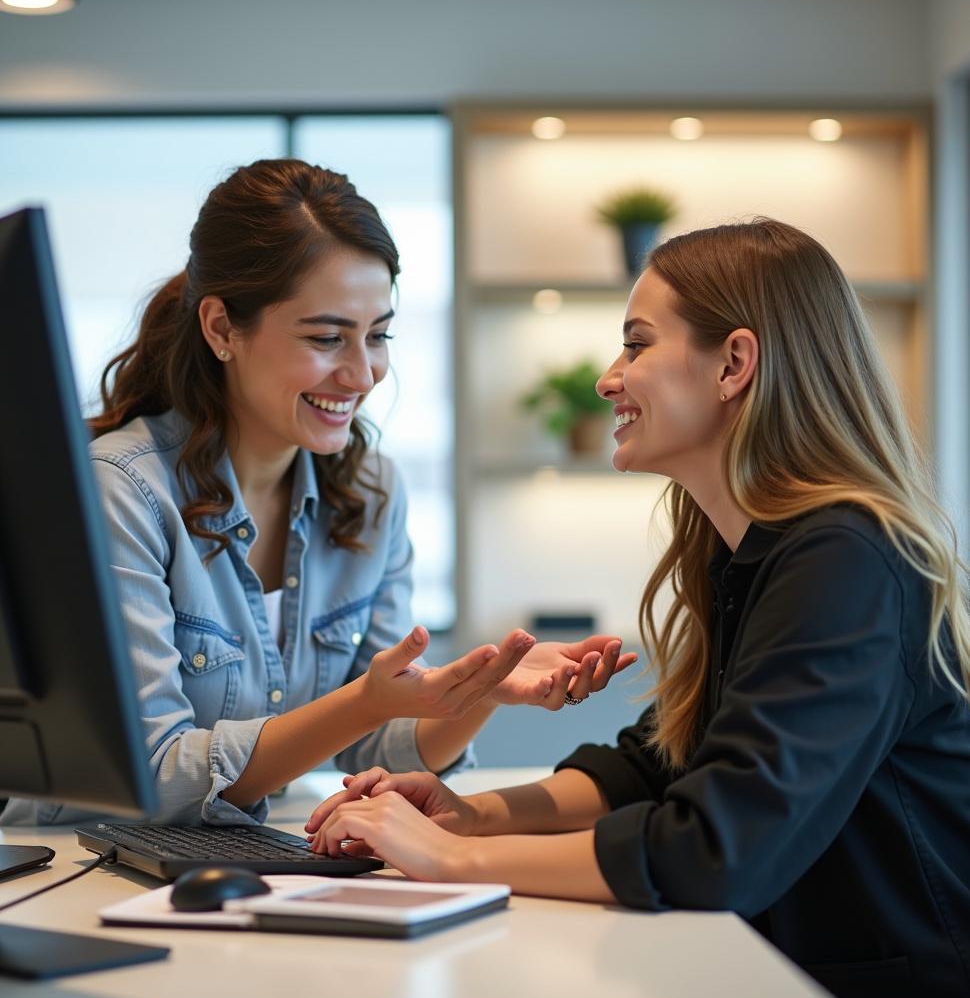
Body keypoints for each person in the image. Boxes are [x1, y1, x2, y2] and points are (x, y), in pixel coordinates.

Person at [304, 218, 970, 998]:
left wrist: (453, 860)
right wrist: (471, 817)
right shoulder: (751, 550)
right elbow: (663, 763)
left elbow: (715, 850)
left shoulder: (847, 559)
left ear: (734, 364)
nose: (610, 379)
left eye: (637, 344)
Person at [0, 158, 634, 828]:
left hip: (220, 862)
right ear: (221, 329)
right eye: (327, 337)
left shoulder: (371, 491)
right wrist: (365, 700)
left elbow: (379, 746)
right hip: (78, 868)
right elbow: (154, 775)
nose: (363, 373)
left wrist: (478, 693)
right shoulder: (122, 491)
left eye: (379, 334)